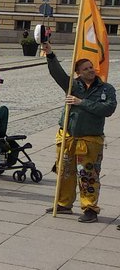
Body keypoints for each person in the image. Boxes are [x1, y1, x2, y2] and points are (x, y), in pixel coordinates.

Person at [46, 43, 116, 223]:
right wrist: (50, 54)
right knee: (64, 173)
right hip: (67, 137)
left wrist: (81, 102)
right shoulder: (72, 86)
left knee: (88, 175)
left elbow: (108, 109)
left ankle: (90, 208)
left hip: (90, 141)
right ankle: (64, 203)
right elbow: (57, 74)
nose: (90, 70)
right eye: (86, 69)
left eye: (91, 67)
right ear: (78, 72)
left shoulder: (106, 89)